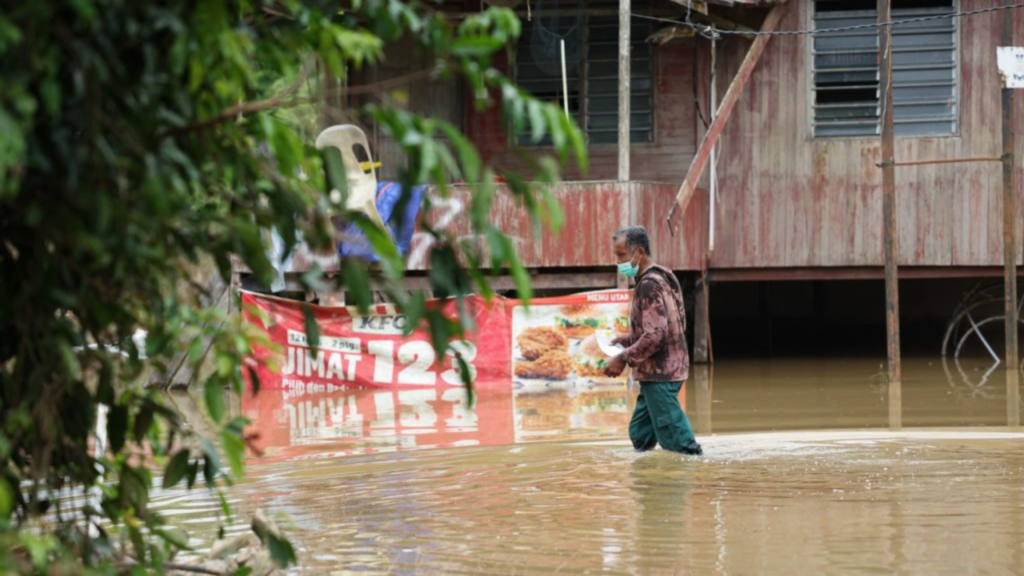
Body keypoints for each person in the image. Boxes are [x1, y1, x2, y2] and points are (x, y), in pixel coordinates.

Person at [604, 226, 702, 456]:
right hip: (657, 371)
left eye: (621, 255)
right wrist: (627, 339)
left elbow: (656, 334)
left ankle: (693, 474)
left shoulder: (649, 284)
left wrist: (623, 357)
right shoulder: (661, 276)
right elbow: (665, 327)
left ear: (639, 252)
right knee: (641, 434)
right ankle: (648, 482)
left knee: (679, 444)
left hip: (661, 374)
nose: (618, 262)